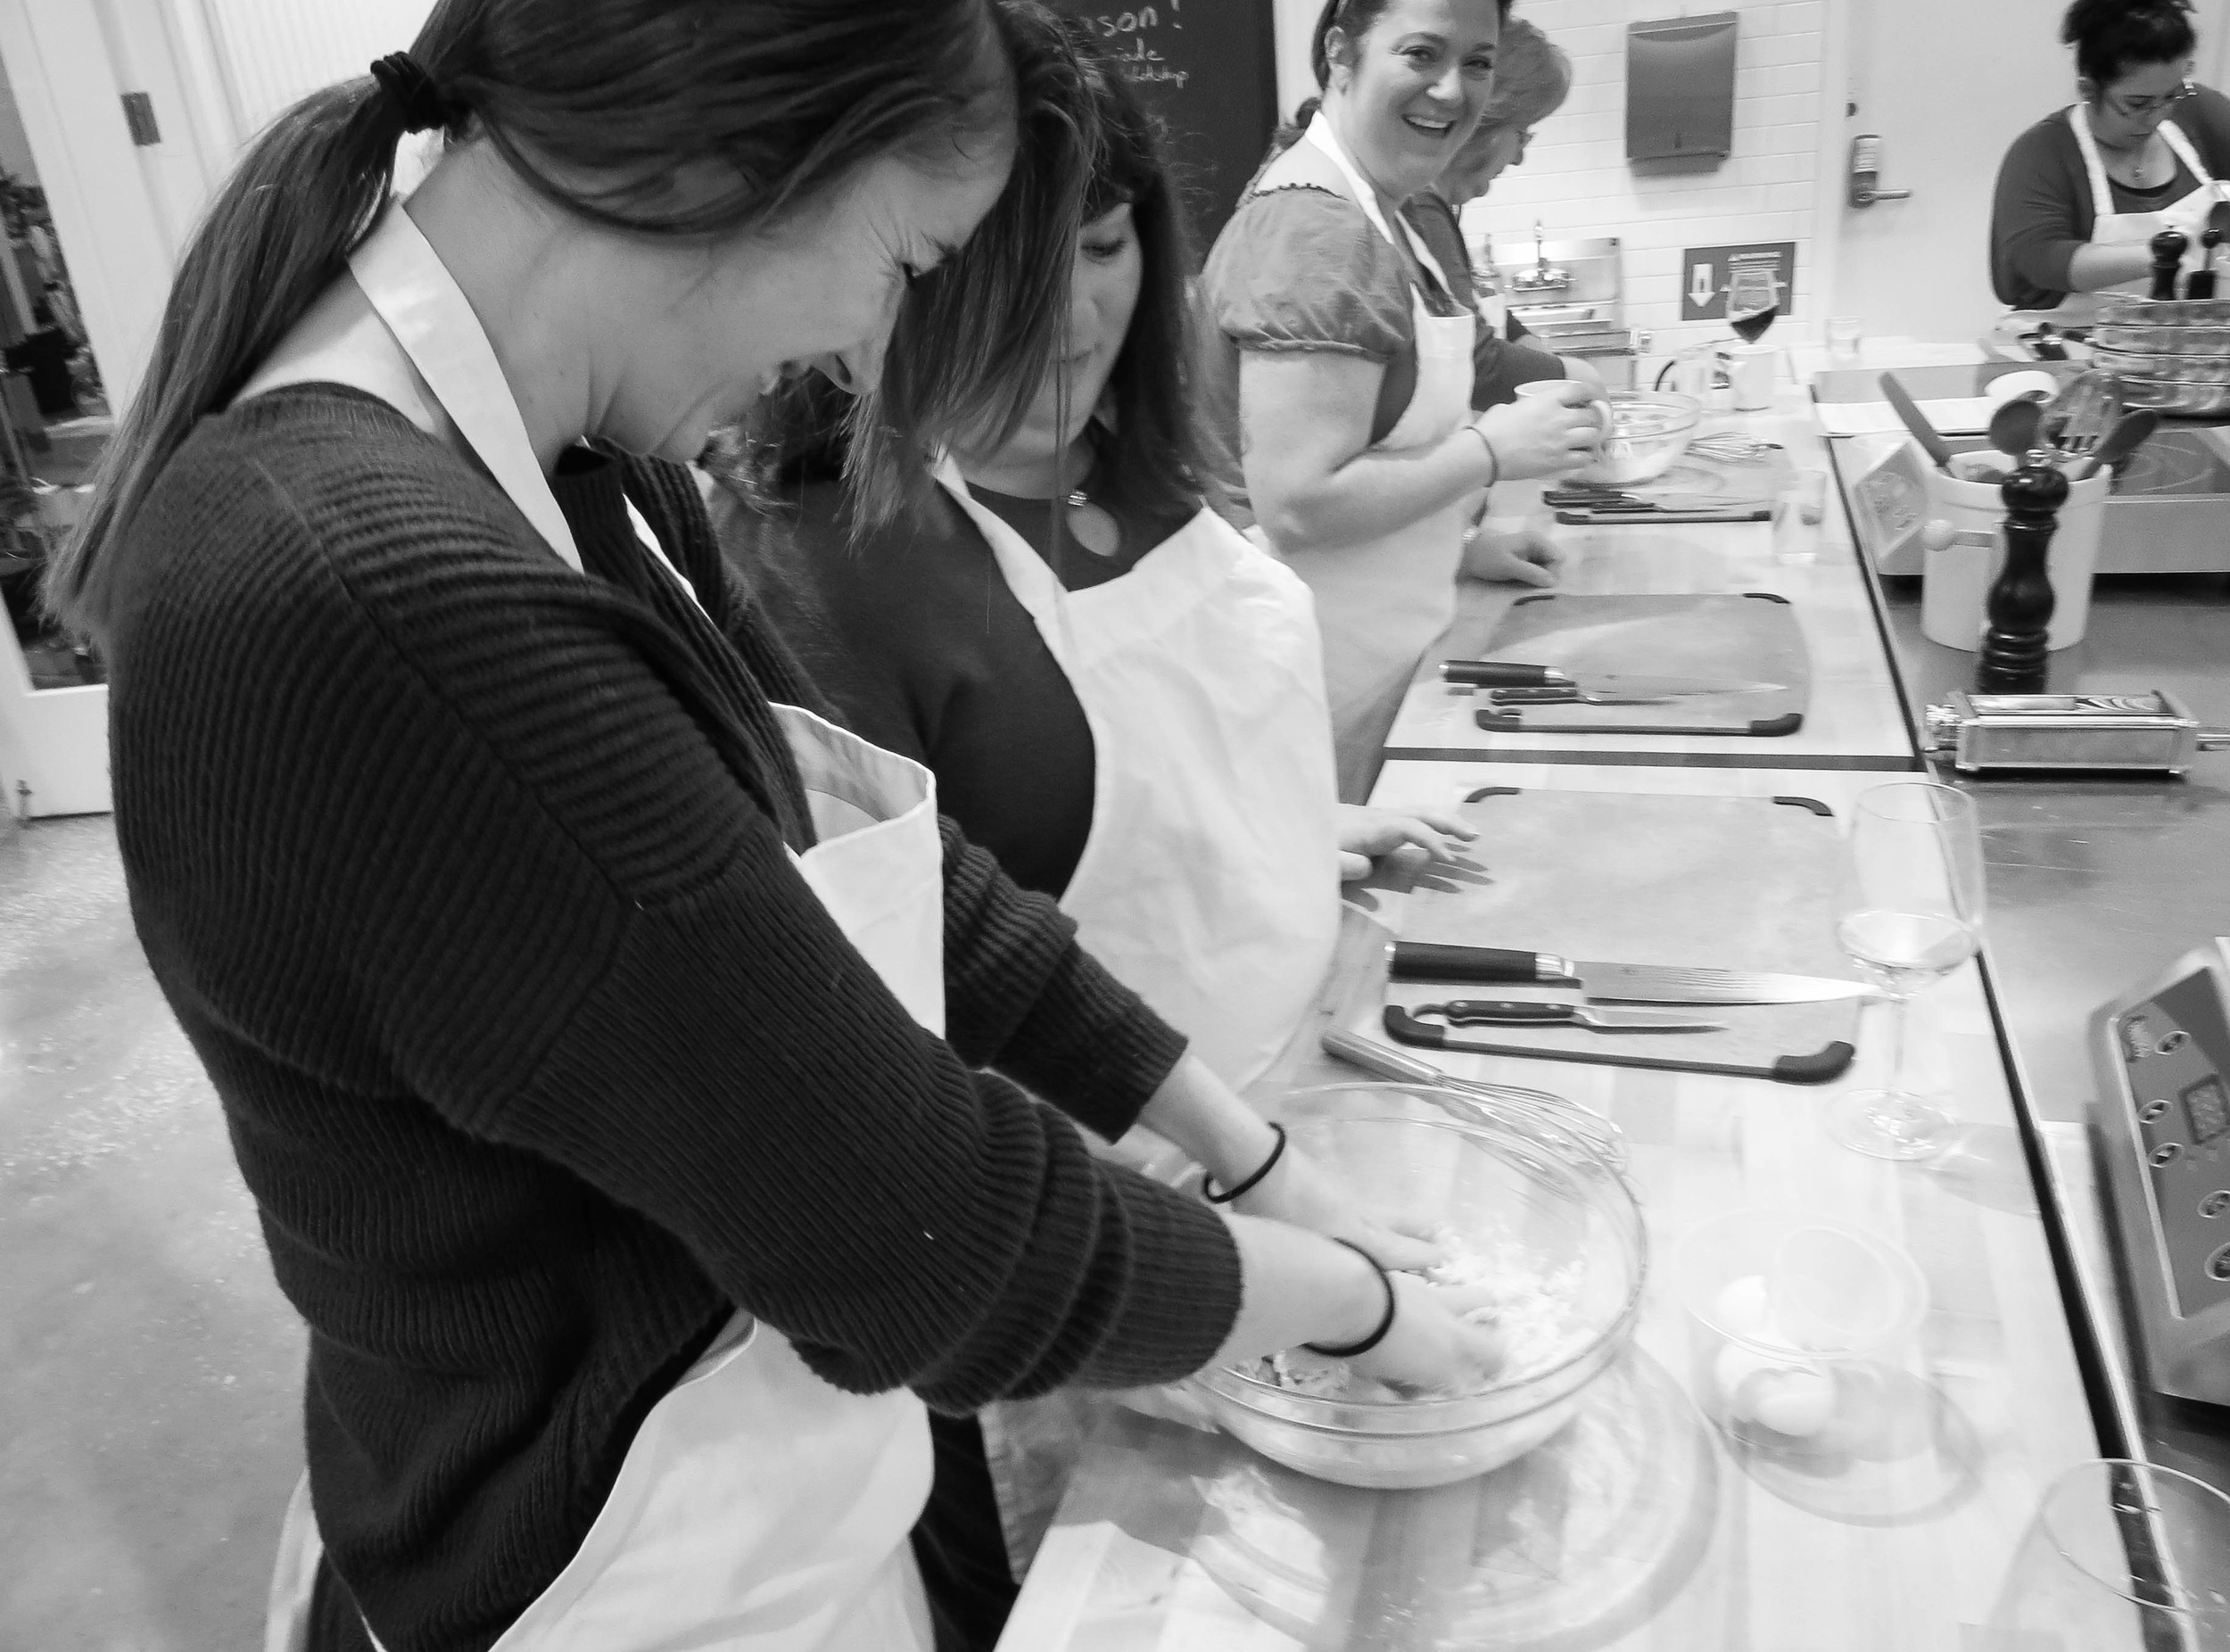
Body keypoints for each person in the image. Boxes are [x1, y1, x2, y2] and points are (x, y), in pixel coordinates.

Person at [44, 5, 1503, 1650]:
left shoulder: (586, 468)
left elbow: (886, 875)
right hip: (596, 1571)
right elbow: (920, 1233)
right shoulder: (372, 599)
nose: (857, 347)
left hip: (758, 1488)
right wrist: (1363, 1309)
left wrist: (1263, 1156)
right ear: (738, 166)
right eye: (904, 264)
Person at [1197, 0, 1604, 802]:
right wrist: (1495, 451)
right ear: (1342, 55)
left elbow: (1377, 451)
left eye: (1478, 62)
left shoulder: (1385, 212)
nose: (1453, 90)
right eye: (1422, 54)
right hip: (1313, 677)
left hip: (1376, 659)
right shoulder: (1319, 233)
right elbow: (1302, 504)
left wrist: (1456, 544)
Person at [1991, 0, 2230, 312]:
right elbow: (2040, 258)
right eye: (2137, 104)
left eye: (2171, 96)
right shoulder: (2041, 153)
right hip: (2069, 342)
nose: (2157, 115)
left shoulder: (2200, 113)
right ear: (2089, 90)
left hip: (2187, 337)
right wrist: (2158, 257)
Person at [1424, 15, 1590, 406]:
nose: (1518, 156)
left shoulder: (1434, 209)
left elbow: (1470, 315)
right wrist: (1578, 378)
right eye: (1522, 132)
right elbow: (1474, 361)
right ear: (1484, 122)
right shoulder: (1420, 209)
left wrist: (1526, 343)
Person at [5, 301, 80, 418]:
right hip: (68, 402)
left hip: (49, 407)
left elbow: (9, 362)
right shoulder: (57, 339)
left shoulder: (32, 346)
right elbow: (72, 353)